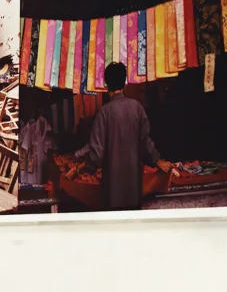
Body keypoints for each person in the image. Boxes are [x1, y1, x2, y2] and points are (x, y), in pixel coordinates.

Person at [74, 61, 178, 210]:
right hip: (134, 187)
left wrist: (83, 168)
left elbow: (96, 153)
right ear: (124, 82)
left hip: (112, 191)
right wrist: (157, 161)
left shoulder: (104, 112)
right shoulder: (137, 108)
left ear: (106, 83)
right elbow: (145, 144)